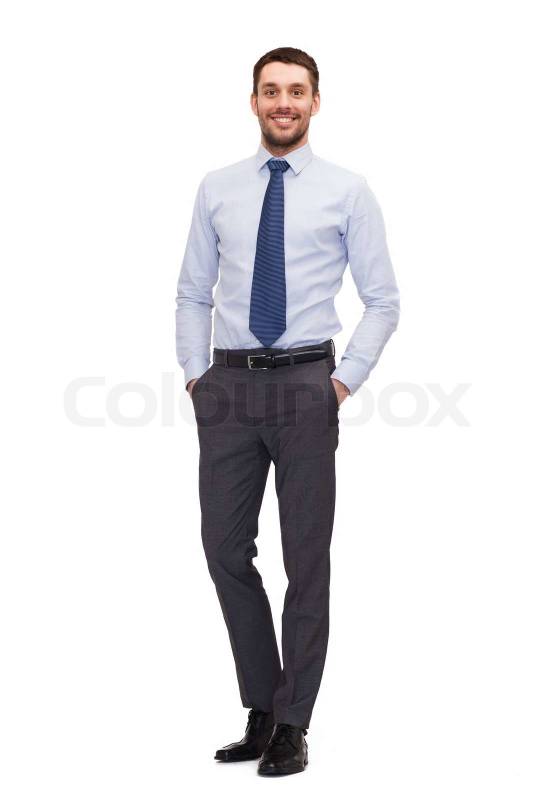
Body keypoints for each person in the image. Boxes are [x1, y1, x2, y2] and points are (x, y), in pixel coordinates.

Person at [175, 46, 400, 776]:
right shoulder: (217, 188)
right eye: (271, 91)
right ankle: (262, 705)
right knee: (223, 550)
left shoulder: (347, 190)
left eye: (296, 91)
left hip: (307, 383)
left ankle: (293, 722)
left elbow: (382, 300)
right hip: (229, 387)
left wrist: (341, 383)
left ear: (315, 102)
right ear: (254, 102)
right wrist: (196, 377)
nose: (283, 103)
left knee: (306, 559)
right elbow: (193, 292)